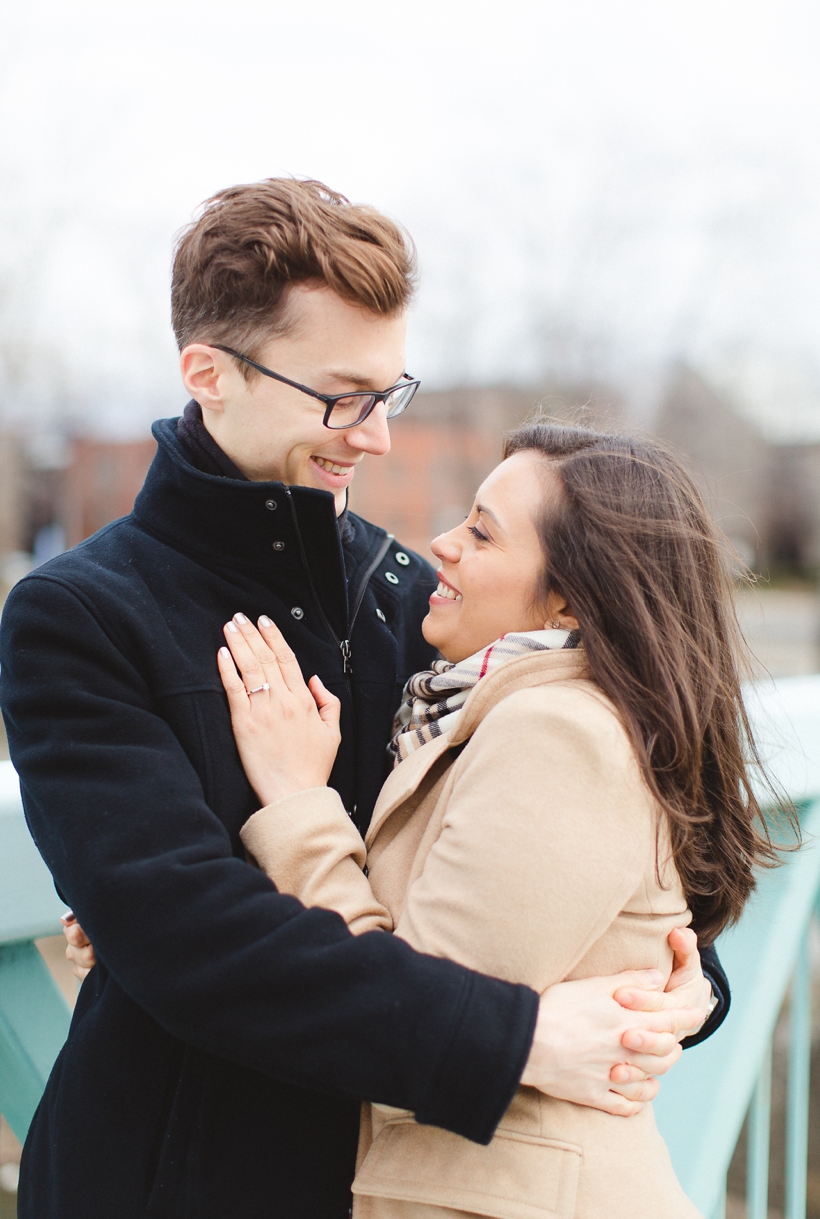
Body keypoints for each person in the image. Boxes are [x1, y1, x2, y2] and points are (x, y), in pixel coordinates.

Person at [0, 179, 725, 1219]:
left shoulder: (409, 595)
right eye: (341, 397)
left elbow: (566, 842)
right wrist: (514, 1039)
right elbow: (195, 944)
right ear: (208, 373)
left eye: (391, 393)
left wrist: (678, 989)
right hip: (181, 1175)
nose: (376, 437)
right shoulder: (79, 615)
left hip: (399, 1180)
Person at [207, 424, 783, 1218]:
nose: (441, 544)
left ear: (570, 597)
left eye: (481, 531)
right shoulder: (490, 714)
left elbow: (409, 1015)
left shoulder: (559, 733)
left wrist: (298, 803)